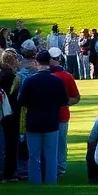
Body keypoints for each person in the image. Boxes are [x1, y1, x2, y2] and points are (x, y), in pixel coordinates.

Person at [17, 51, 68, 184]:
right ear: (49, 62)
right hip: (51, 122)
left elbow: (21, 101)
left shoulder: (29, 81)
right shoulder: (57, 81)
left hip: (33, 122)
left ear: (36, 62)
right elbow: (64, 102)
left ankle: (35, 181)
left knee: (34, 156)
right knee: (51, 156)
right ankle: (51, 180)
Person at [49, 48, 81, 177]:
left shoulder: (43, 75)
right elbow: (76, 97)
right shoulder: (66, 76)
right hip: (61, 115)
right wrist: (64, 103)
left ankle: (53, 167)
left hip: (51, 115)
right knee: (61, 143)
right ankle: (60, 168)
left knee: (49, 143)